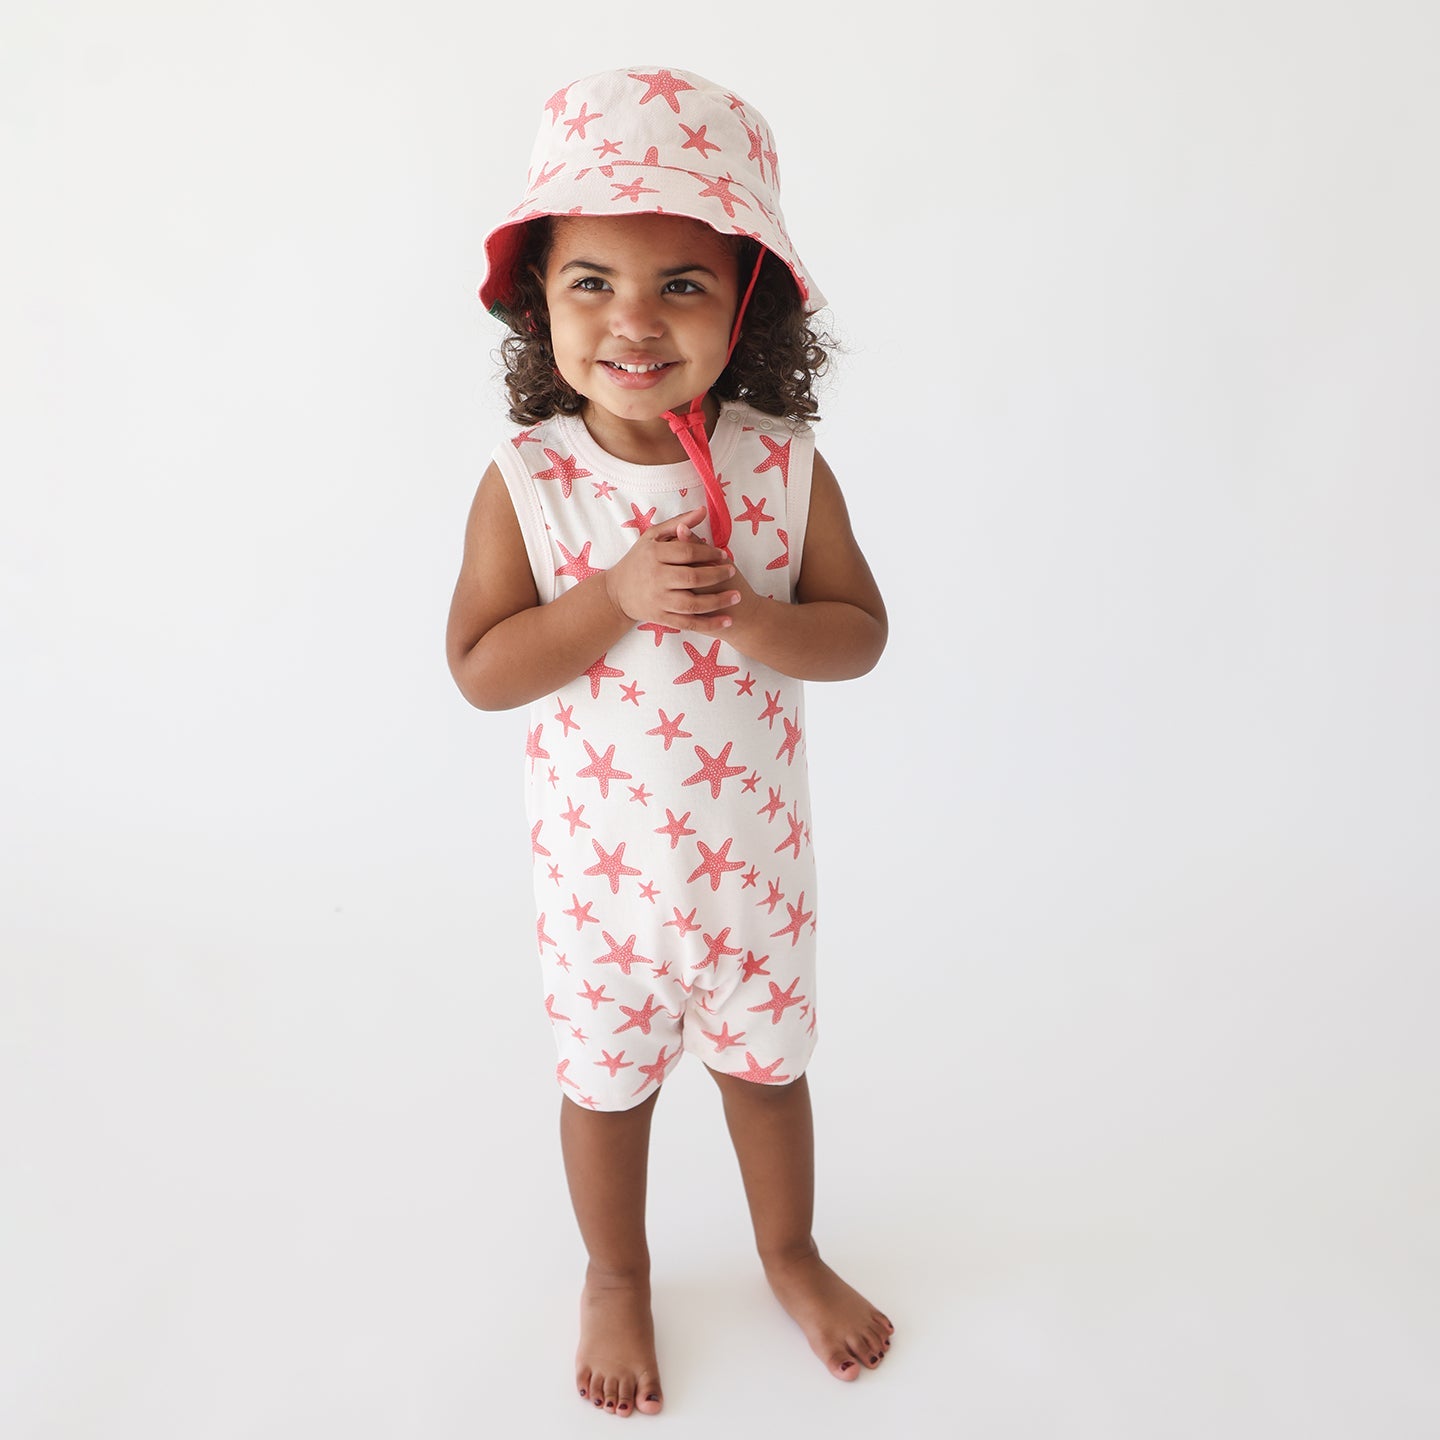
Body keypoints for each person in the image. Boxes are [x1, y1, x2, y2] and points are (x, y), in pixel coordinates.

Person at [446, 65, 892, 1417]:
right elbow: (480, 669)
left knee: (770, 1073)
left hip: (754, 876)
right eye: (592, 281)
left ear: (747, 302)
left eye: (682, 284)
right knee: (605, 1088)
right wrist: (611, 599)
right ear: (540, 296)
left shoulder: (781, 468)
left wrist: (755, 616)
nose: (634, 320)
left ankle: (789, 1253)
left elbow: (860, 634)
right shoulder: (531, 482)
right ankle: (617, 1273)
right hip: (604, 890)